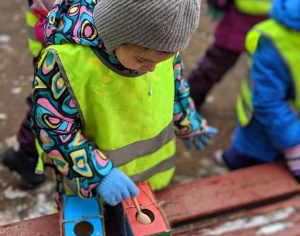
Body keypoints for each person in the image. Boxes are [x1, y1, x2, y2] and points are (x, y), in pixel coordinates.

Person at [31, 0, 218, 206]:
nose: (152, 69)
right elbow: (54, 130)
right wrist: (98, 174)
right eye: (141, 60)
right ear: (115, 36)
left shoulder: (160, 47)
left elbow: (175, 87)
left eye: (164, 59)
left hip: (149, 180)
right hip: (92, 189)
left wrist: (186, 120)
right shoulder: (65, 65)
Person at [215, 0, 300, 183]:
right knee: (249, 163)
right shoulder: (275, 41)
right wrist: (293, 144)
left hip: (287, 126)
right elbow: (267, 101)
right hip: (262, 127)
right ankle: (231, 162)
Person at [1, 0, 55, 188]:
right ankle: (24, 153)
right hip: (54, 48)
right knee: (50, 104)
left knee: (48, 102)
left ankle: (24, 151)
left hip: (53, 44)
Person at [187, 0, 271, 107]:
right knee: (266, 74)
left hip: (238, 24)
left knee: (211, 68)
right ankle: (190, 100)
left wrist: (217, 3)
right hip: (265, 25)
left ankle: (188, 102)